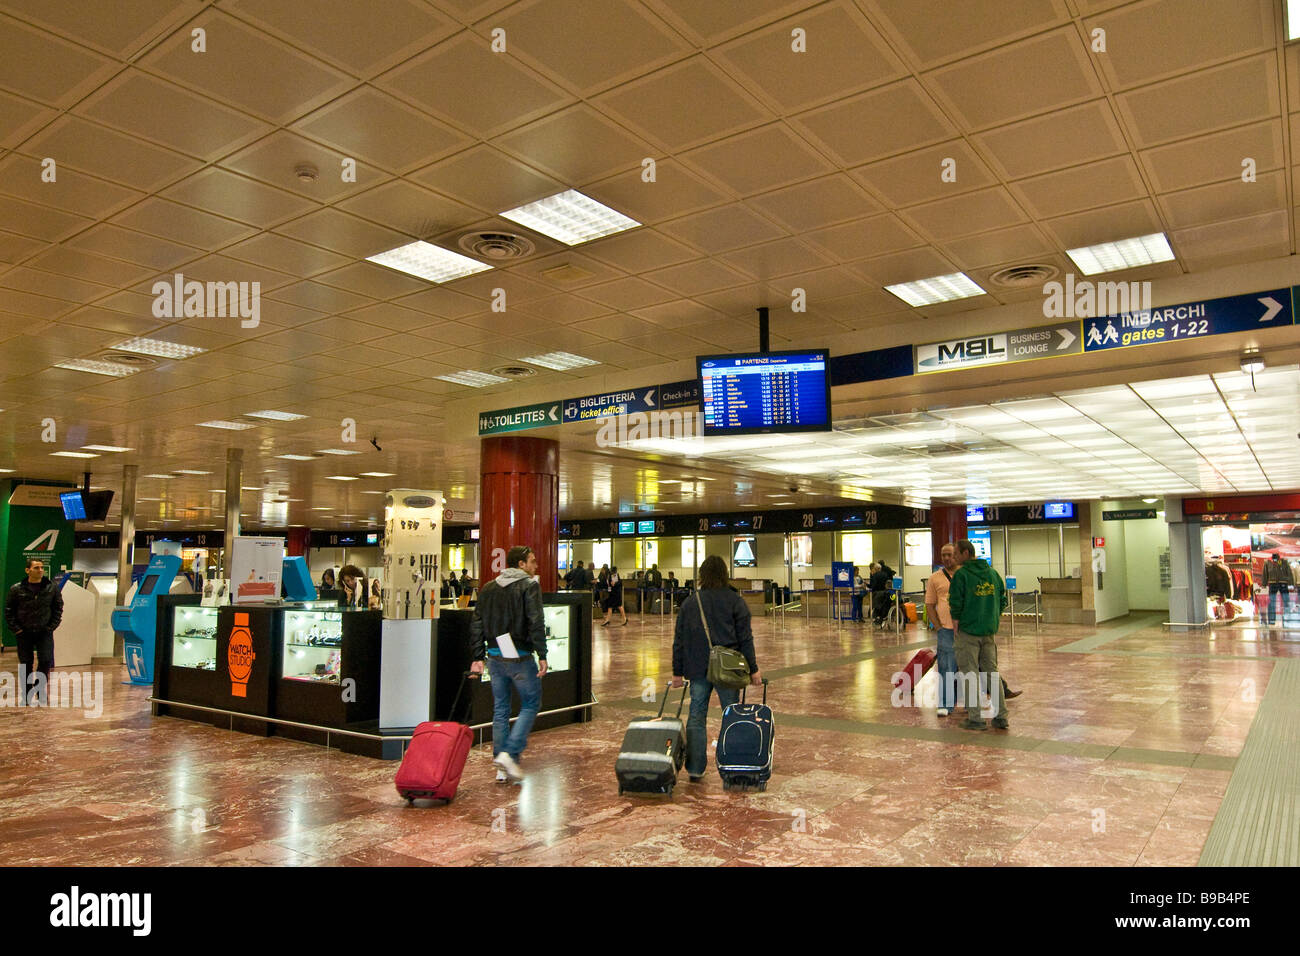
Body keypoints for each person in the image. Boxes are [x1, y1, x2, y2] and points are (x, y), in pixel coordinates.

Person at [671, 555, 762, 782]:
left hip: (697, 668)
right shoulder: (735, 601)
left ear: (702, 575)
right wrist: (753, 669)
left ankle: (695, 768)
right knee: (731, 715)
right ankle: (733, 763)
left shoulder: (691, 603)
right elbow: (745, 638)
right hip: (728, 670)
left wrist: (677, 672)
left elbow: (679, 640)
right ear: (724, 574)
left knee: (696, 716)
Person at [469, 546, 548, 783]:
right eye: (532, 561)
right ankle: (510, 754)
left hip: (494, 656)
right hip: (520, 656)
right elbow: (536, 621)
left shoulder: (488, 588)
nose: (535, 566)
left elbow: (477, 623)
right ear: (521, 564)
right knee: (531, 702)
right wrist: (542, 653)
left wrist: (477, 655)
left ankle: (500, 766)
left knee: (501, 708)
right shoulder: (530, 586)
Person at [948, 539, 1009, 731]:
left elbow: (956, 603)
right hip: (989, 632)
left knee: (969, 674)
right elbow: (1003, 599)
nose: (954, 558)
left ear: (966, 553)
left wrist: (956, 623)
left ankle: (976, 718)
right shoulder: (993, 573)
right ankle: (1001, 717)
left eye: (956, 554)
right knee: (992, 673)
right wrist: (992, 618)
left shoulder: (962, 575)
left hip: (968, 632)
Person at [4, 558, 64, 705]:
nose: (40, 570)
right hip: (24, 632)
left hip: (44, 631)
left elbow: (58, 608)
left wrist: (51, 626)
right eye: (36, 568)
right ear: (28, 570)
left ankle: (39, 688)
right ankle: (26, 693)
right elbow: (9, 611)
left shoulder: (51, 588)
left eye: (42, 567)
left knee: (45, 660)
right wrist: (17, 629)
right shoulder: (16, 589)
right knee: (26, 663)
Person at [924, 543, 959, 717]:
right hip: (945, 630)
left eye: (949, 555)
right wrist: (938, 626)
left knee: (967, 667)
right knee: (946, 667)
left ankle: (969, 702)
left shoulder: (965, 575)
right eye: (943, 555)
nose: (946, 558)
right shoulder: (934, 578)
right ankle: (945, 703)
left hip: (966, 630)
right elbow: (929, 605)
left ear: (957, 555)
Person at [1262, 551, 1295, 624]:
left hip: (1283, 583)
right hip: (1272, 583)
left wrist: (1291, 583)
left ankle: (1287, 619)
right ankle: (1271, 620)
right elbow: (1265, 573)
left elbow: (1289, 572)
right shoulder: (1267, 562)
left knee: (1286, 601)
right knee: (1271, 603)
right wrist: (1264, 583)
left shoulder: (1284, 562)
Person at [869, 561, 895, 626]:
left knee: (877, 605)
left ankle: (878, 617)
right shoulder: (885, 574)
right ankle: (883, 616)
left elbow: (873, 585)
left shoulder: (875, 575)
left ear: (875, 569)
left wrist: (870, 588)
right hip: (885, 592)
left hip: (877, 593)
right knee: (884, 604)